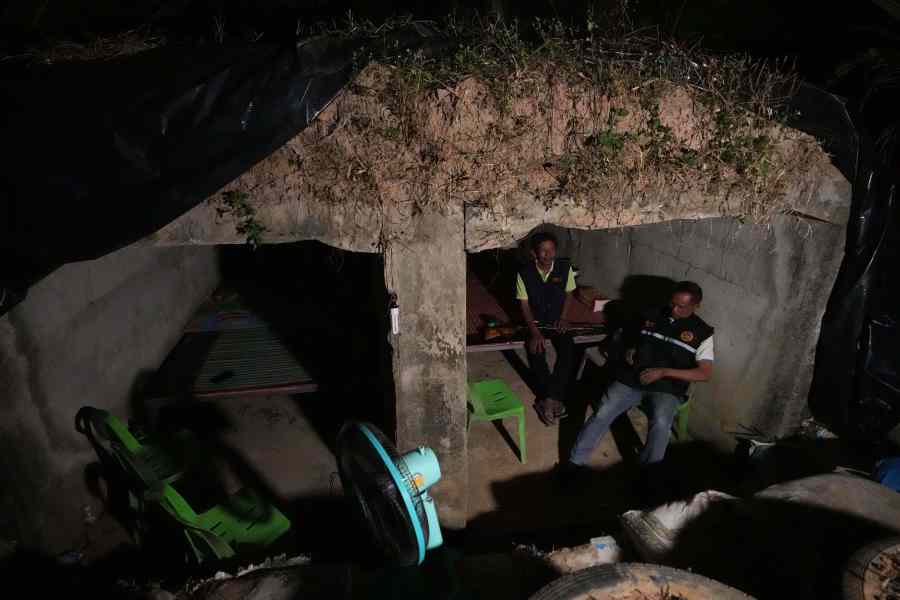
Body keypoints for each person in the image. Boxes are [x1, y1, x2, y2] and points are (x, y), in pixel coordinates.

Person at [564, 281, 714, 472]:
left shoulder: (703, 333)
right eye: (672, 303)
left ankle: (647, 474)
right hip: (633, 378)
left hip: (666, 387)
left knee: (661, 422)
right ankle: (574, 464)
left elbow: (704, 373)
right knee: (603, 410)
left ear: (696, 306)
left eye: (681, 307)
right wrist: (628, 350)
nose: (674, 309)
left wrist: (663, 372)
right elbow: (627, 338)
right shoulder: (651, 314)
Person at [516, 231, 577, 426]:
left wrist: (564, 318)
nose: (547, 255)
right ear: (534, 253)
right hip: (535, 322)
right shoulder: (524, 273)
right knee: (536, 350)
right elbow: (524, 305)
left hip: (557, 320)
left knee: (568, 349)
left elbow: (569, 294)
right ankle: (553, 400)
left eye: (551, 250)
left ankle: (548, 400)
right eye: (543, 251)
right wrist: (534, 332)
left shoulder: (564, 268)